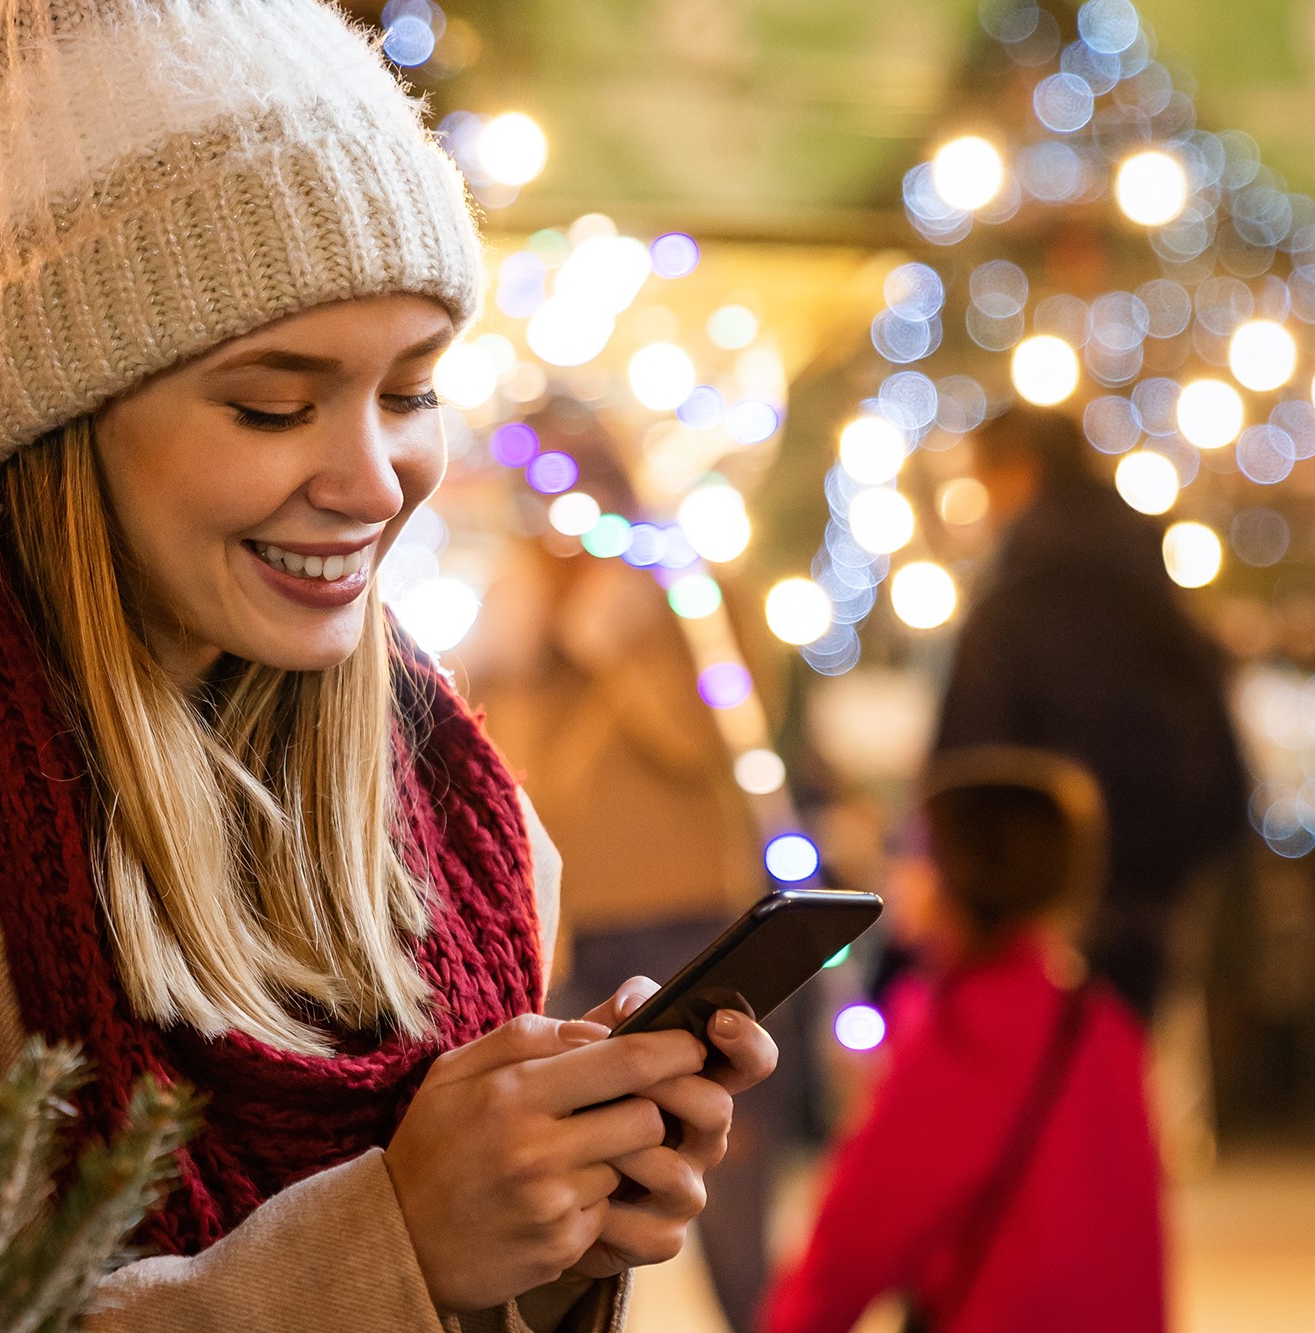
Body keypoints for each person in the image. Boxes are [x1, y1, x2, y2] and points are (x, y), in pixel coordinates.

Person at [0, 3, 777, 1329]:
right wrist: (391, 1247)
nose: (369, 481)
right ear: (70, 416)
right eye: (272, 405)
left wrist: (552, 1224)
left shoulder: (458, 830)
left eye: (409, 392)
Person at [460, 404, 782, 1333]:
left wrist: (616, 638)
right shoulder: (510, 616)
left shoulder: (694, 596)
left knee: (723, 1181)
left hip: (689, 918)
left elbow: (705, 742)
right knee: (569, 1201)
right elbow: (509, 782)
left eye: (577, 483)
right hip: (561, 936)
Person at [762, 747, 1164, 1333]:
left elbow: (859, 1237)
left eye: (915, 852)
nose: (898, 873)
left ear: (966, 872)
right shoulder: (1103, 1022)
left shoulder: (959, 1033)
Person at [936, 405, 1246, 1020]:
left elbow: (969, 758)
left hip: (1044, 894)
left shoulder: (1015, 606)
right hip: (1159, 886)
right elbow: (1213, 733)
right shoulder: (1151, 585)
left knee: (1048, 1077)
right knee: (1128, 1072)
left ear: (1018, 472)